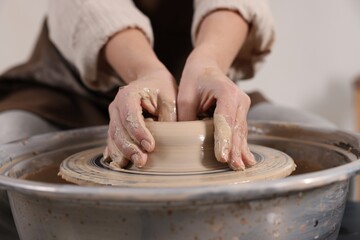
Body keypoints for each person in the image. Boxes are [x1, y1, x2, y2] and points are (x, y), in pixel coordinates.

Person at [0, 0, 335, 239]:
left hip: (201, 93)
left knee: (325, 142)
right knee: (7, 140)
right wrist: (144, 70)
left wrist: (209, 63)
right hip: (71, 88)